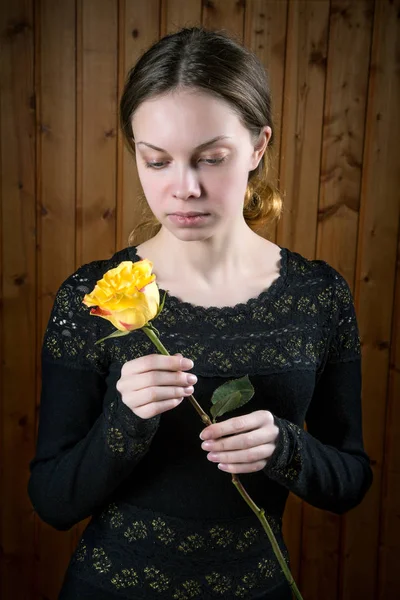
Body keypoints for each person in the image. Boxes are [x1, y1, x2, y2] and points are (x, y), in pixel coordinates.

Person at [28, 26, 373, 600]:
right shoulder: (91, 296)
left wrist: (287, 448)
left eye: (211, 159)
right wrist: (124, 419)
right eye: (156, 161)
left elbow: (351, 480)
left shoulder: (319, 296)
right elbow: (52, 501)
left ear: (259, 147)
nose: (183, 188)